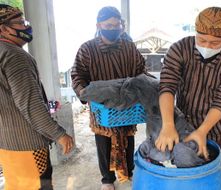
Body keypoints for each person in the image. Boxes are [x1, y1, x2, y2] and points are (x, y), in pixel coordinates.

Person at [155, 7, 221, 169]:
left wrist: (202, 131)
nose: (207, 46)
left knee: (212, 170)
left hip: (215, 127)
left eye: (215, 42)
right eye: (202, 40)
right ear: (195, 32)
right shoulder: (180, 48)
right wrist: (168, 125)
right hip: (183, 121)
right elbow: (167, 87)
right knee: (181, 169)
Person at [71, 6, 149, 190]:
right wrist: (84, 92)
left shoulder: (129, 48)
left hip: (127, 105)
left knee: (128, 139)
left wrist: (147, 86)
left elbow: (141, 70)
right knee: (104, 143)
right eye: (108, 25)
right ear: (99, 25)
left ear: (122, 25)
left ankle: (128, 170)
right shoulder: (87, 49)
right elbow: (77, 75)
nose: (113, 28)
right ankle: (107, 179)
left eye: (117, 25)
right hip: (102, 108)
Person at [0, 4, 73, 189]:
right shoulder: (14, 55)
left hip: (6, 144)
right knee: (38, 185)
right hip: (27, 146)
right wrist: (59, 134)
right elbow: (30, 105)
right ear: (4, 28)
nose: (26, 27)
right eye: (20, 23)